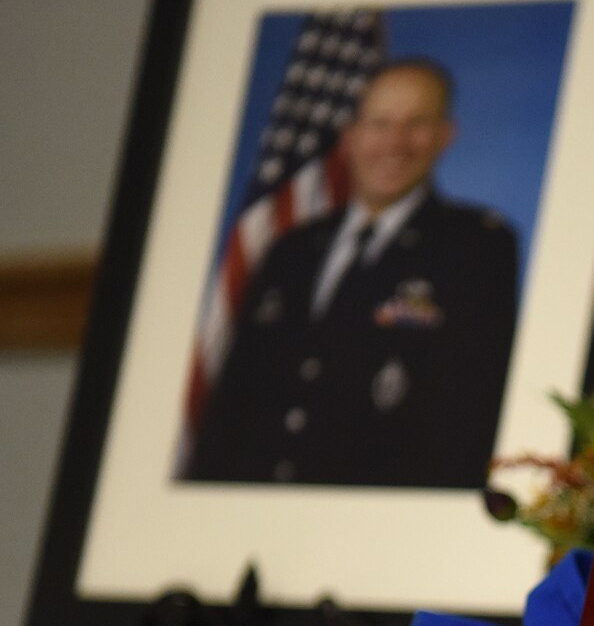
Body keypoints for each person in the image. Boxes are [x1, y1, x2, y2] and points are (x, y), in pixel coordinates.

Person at [182, 58, 519, 488]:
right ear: (351, 137)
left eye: (416, 123)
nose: (395, 143)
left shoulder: (475, 246)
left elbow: (467, 413)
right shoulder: (292, 248)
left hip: (378, 519)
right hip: (254, 509)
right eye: (379, 124)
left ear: (444, 136)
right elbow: (233, 405)